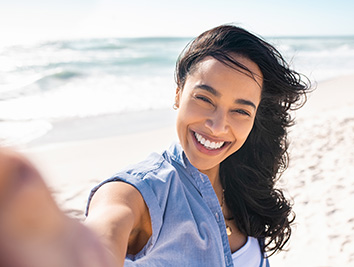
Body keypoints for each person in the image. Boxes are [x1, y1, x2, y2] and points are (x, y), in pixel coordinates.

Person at [0, 25, 309, 267]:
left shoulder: (244, 180)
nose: (217, 126)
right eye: (204, 99)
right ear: (178, 94)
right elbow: (105, 233)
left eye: (240, 110)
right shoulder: (139, 192)